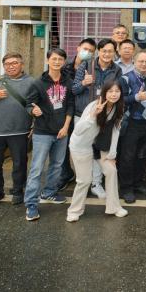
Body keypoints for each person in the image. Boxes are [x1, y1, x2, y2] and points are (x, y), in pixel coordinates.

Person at [23, 48, 74, 221]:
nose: (57, 62)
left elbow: (70, 105)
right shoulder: (38, 83)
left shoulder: (68, 81)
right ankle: (31, 203)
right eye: (54, 59)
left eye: (60, 59)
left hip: (61, 131)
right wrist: (33, 110)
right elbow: (28, 104)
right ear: (47, 60)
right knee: (37, 168)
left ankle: (49, 192)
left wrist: (66, 127)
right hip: (43, 132)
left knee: (57, 165)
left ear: (64, 62)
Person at [0, 52, 36, 208]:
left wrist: (34, 124)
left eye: (14, 63)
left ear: (21, 65)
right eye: (7, 64)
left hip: (20, 131)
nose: (11, 66)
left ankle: (18, 190)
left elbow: (35, 104)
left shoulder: (31, 82)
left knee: (20, 164)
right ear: (4, 66)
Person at [66, 80, 127, 221]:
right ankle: (74, 211)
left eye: (117, 91)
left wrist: (112, 155)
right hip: (81, 146)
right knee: (84, 180)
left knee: (111, 171)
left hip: (98, 145)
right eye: (110, 91)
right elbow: (78, 130)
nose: (114, 94)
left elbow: (115, 131)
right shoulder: (94, 105)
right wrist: (93, 115)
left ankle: (114, 207)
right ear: (104, 93)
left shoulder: (119, 108)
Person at [72, 38, 123, 199]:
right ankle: (84, 181)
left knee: (99, 150)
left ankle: (96, 183)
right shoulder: (86, 66)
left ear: (114, 53)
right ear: (98, 52)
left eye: (110, 51)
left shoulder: (117, 69)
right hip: (84, 114)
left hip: (104, 117)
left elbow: (116, 91)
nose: (107, 54)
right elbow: (74, 89)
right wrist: (83, 83)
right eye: (104, 51)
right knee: (83, 149)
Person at [119, 51, 146, 204]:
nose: (144, 64)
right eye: (141, 61)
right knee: (127, 157)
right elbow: (118, 99)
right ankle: (126, 188)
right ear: (134, 62)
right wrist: (136, 97)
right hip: (131, 123)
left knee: (143, 155)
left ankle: (138, 182)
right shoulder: (125, 78)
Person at [56, 38, 96, 190]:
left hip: (81, 111)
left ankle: (88, 177)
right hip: (65, 110)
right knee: (64, 144)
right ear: (78, 48)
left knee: (83, 144)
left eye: (91, 51)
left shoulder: (92, 68)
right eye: (85, 49)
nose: (87, 52)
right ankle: (65, 173)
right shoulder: (64, 67)